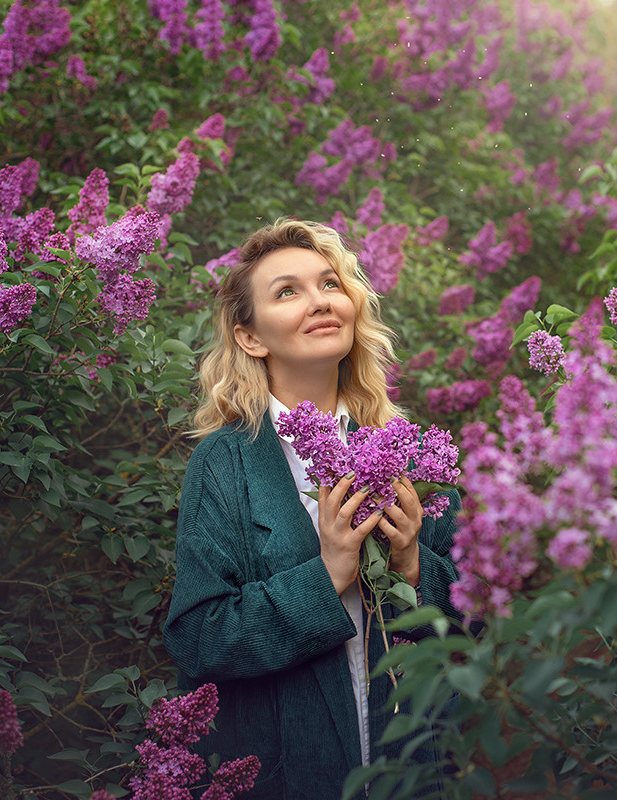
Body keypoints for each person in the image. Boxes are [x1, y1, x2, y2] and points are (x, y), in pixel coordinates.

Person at [164, 218, 463, 799]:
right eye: (287, 291)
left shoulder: (409, 454)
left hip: (415, 772)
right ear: (250, 337)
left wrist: (413, 566)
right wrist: (326, 577)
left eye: (330, 283)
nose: (321, 302)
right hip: (288, 775)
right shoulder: (227, 464)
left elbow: (476, 619)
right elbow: (200, 639)